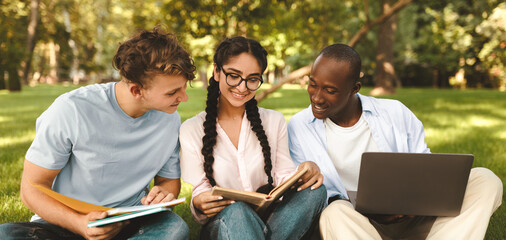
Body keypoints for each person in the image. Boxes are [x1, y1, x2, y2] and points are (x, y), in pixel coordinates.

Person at [287, 44, 503, 239]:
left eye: (330, 90)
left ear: (355, 88)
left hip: (415, 219)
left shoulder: (394, 112)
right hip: (356, 226)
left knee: (486, 180)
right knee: (334, 213)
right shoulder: (299, 127)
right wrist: (367, 210)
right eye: (313, 85)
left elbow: (426, 169)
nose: (316, 97)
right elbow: (310, 197)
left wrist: (415, 203)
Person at [0, 26, 196, 240]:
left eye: (183, 88)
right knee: (7, 234)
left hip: (129, 221)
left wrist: (164, 195)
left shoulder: (169, 119)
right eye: (173, 92)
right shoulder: (71, 109)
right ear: (136, 90)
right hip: (65, 223)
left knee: (174, 229)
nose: (183, 98)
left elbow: (168, 182)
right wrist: (79, 224)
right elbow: (31, 190)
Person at [179, 36, 326, 240]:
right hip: (225, 222)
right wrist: (199, 201)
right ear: (216, 71)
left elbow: (282, 174)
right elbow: (199, 189)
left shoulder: (274, 121)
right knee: (239, 212)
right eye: (233, 75)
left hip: (272, 219)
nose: (242, 87)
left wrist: (303, 171)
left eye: (253, 79)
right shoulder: (191, 129)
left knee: (315, 191)